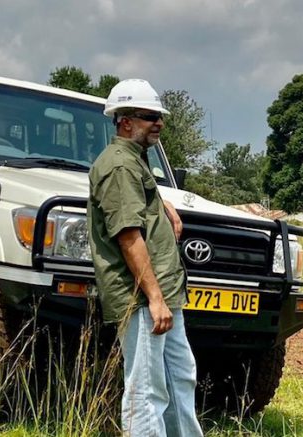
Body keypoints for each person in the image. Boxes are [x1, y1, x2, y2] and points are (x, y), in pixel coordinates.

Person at [87, 78, 203, 437]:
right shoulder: (119, 167)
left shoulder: (134, 162)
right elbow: (128, 237)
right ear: (125, 121)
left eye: (159, 116)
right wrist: (154, 298)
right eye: (150, 116)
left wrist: (160, 203)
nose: (159, 123)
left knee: (180, 377)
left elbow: (136, 206)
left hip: (163, 293)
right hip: (141, 297)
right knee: (146, 389)